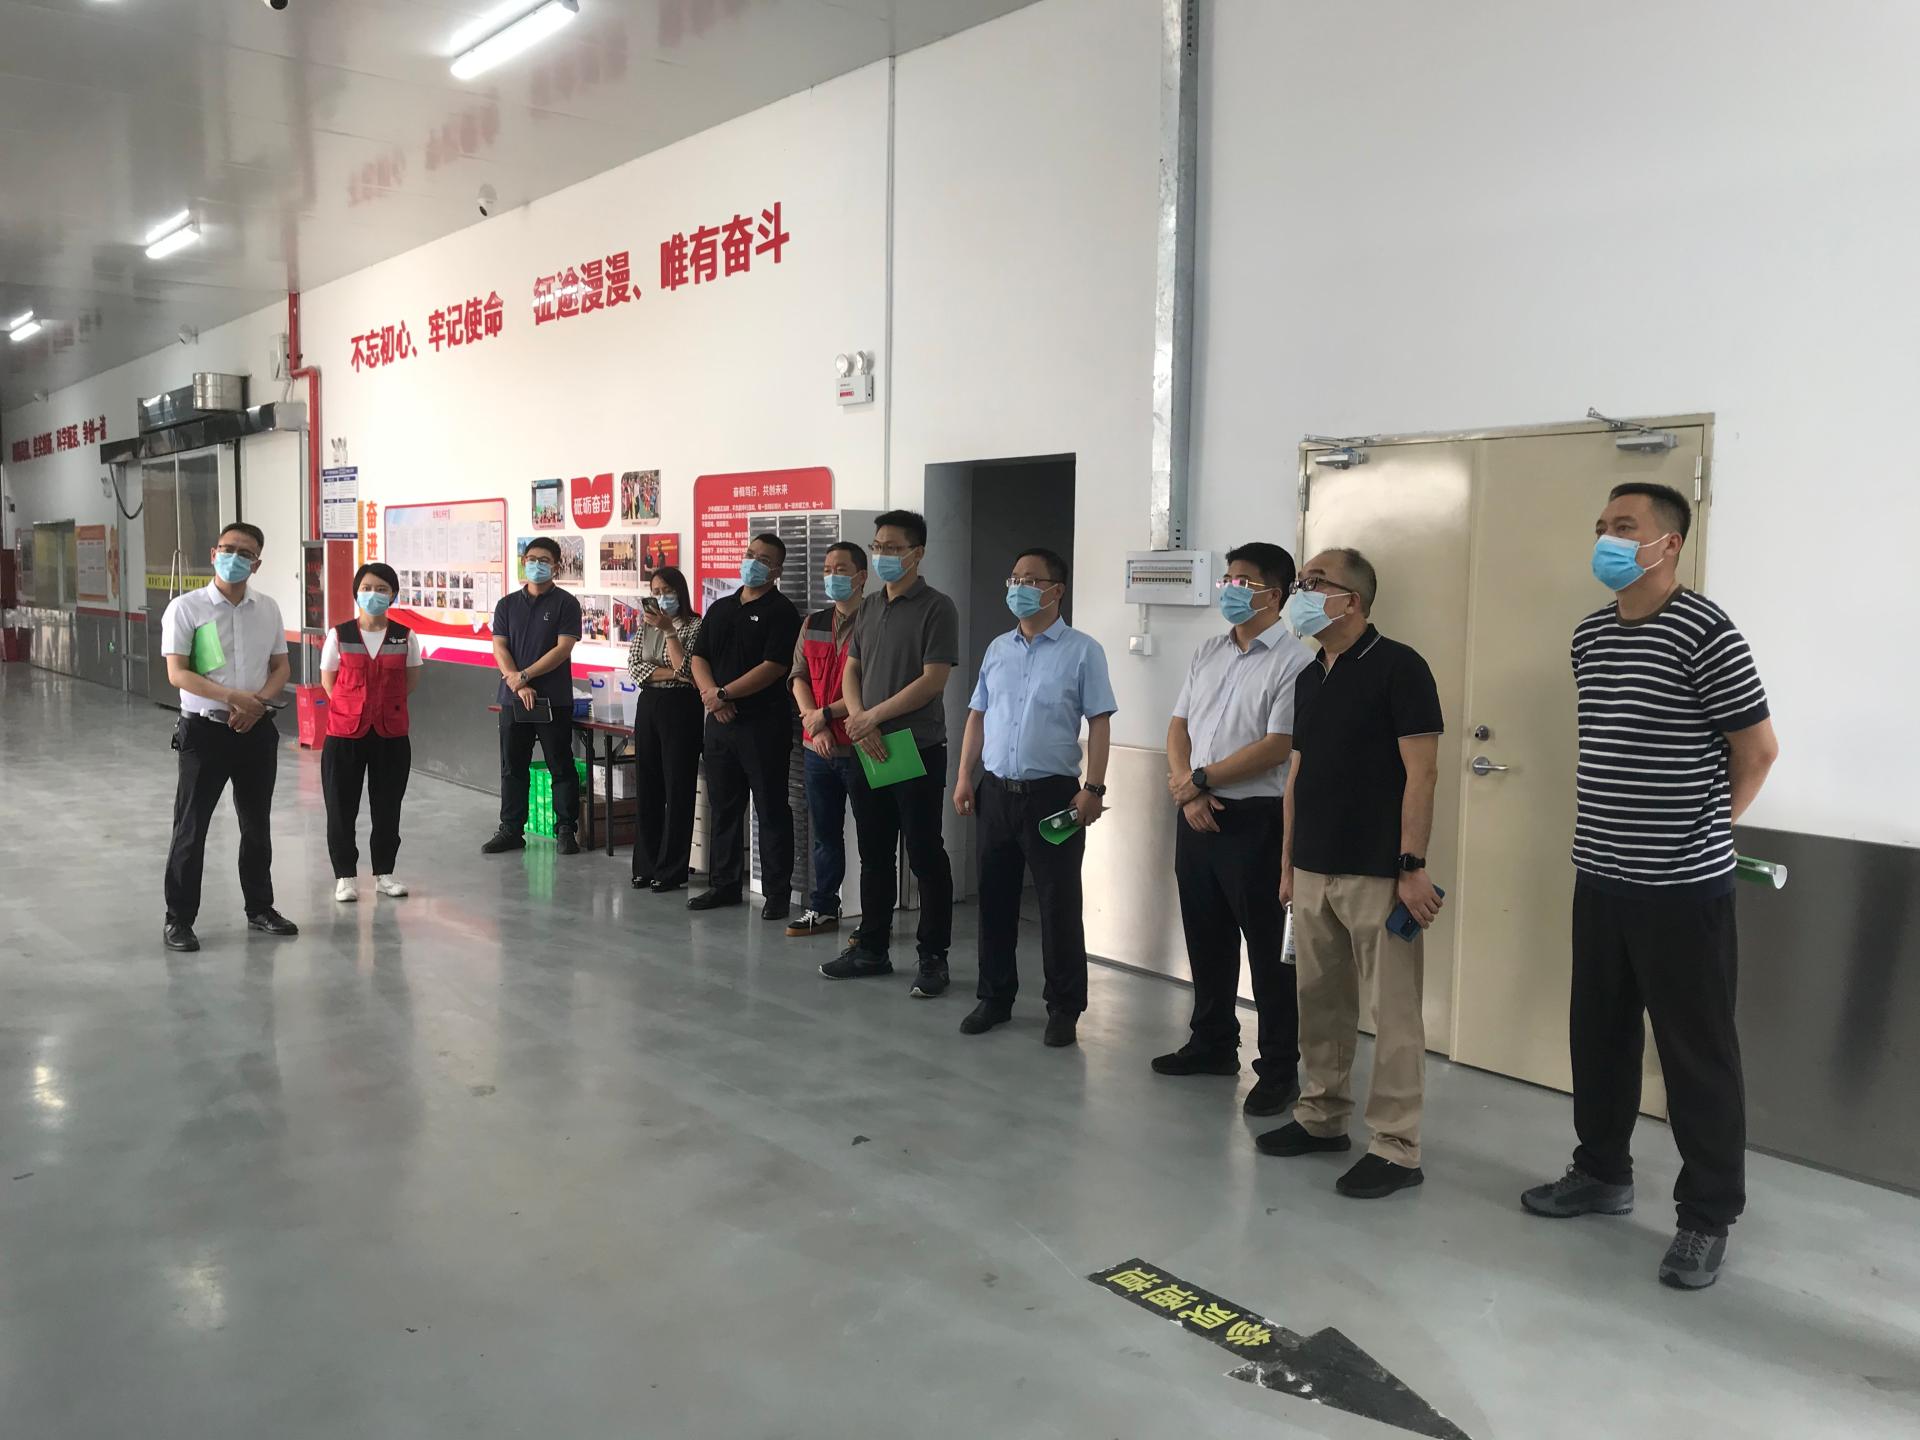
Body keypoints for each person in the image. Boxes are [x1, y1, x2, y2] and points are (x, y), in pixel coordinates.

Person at [1523, 482, 1778, 1291]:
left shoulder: (1706, 632)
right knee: (1599, 1036)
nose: (1606, 538)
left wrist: (1705, 831)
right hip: (1601, 873)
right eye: (1601, 525)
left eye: (1624, 526)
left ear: (1668, 543)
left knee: (1697, 1056)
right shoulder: (1591, 634)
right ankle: (1601, 1172)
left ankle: (1707, 1217)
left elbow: (1757, 750)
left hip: (1682, 888)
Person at [1258, 549, 1444, 1202]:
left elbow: (1422, 773)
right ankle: (1321, 1115)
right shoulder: (1310, 674)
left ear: (1352, 601)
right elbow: (1297, 775)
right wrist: (1287, 864)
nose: (1301, 593)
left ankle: (1396, 1147)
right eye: (1301, 583)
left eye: (1314, 584)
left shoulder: (1400, 667)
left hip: (1379, 874)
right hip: (1313, 869)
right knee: (1320, 1000)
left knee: (1393, 1015)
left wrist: (1412, 866)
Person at [1153, 543, 1313, 1115]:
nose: (1229, 589)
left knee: (1269, 951)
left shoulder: (1295, 662)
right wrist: (1187, 787)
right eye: (1227, 579)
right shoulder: (1208, 651)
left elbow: (1277, 746)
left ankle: (1278, 1069)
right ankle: (1213, 1042)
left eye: (1243, 581)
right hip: (1196, 813)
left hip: (1256, 821)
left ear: (1276, 594)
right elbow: (1178, 726)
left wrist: (1200, 780)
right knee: (1206, 935)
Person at [952, 548, 1115, 1047]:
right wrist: (964, 776)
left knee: (1057, 903)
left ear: (1056, 590)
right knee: (994, 900)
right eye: (1014, 578)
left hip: (1053, 797)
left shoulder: (1083, 651)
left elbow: (1100, 722)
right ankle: (994, 997)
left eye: (1030, 580)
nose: (1018, 587)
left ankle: (1064, 1007)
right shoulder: (998, 649)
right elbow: (978, 714)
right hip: (997, 792)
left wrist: (1093, 789)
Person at [821, 510, 959, 997]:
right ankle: (872, 948)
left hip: (914, 747)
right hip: (869, 747)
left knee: (924, 854)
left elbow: (933, 680)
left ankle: (933, 957)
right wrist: (860, 721)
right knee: (875, 854)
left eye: (893, 548)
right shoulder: (869, 607)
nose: (882, 555)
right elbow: (851, 670)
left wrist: (872, 718)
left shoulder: (937, 607)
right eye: (877, 546)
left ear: (917, 553)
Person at [159, 521, 298, 951]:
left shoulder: (268, 609)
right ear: (213, 554)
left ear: (257, 564)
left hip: (256, 731)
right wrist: (234, 698)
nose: (234, 557)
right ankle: (179, 919)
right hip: (204, 731)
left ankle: (260, 908)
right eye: (228, 548)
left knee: (256, 825)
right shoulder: (186, 608)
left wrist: (256, 705)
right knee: (191, 827)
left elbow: (281, 667)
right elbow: (178, 673)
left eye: (245, 553)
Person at [688, 533, 803, 917]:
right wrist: (712, 696)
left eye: (763, 559)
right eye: (750, 554)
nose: (753, 562)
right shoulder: (721, 607)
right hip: (719, 726)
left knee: (771, 809)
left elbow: (774, 667)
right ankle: (723, 884)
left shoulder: (781, 612)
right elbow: (699, 657)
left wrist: (724, 694)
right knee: (724, 807)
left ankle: (777, 894)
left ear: (777, 570)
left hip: (762, 726)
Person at [320, 562, 423, 902]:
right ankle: (345, 877)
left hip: (391, 734)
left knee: (387, 806)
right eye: (367, 588)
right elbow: (329, 681)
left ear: (393, 595)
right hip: (344, 733)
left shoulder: (405, 636)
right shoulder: (340, 635)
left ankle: (384, 874)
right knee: (340, 807)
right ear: (356, 593)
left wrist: (384, 705)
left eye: (382, 589)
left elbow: (410, 680)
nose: (373, 594)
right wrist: (352, 706)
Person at [482, 536, 583, 855]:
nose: (536, 565)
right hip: (513, 698)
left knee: (560, 766)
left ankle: (566, 829)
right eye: (531, 559)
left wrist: (525, 675)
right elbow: (500, 647)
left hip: (553, 700)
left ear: (556, 566)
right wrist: (517, 683)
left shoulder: (566, 603)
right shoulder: (507, 604)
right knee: (513, 767)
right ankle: (511, 829)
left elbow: (563, 648)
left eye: (543, 560)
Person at [787, 541, 869, 936]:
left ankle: (874, 919)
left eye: (841, 569)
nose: (832, 576)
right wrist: (814, 722)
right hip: (816, 748)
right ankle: (823, 908)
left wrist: (825, 716)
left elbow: (871, 686)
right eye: (827, 569)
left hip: (862, 747)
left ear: (861, 576)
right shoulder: (813, 623)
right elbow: (798, 676)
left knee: (873, 837)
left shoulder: (875, 622)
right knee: (824, 835)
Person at [626, 564, 704, 893]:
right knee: (648, 786)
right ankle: (645, 865)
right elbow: (635, 667)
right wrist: (672, 672)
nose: (661, 598)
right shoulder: (646, 626)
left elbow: (687, 669)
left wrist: (670, 632)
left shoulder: (696, 625)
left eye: (667, 591)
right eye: (655, 592)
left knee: (678, 787)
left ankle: (672, 869)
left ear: (680, 592)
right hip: (649, 704)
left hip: (682, 707)